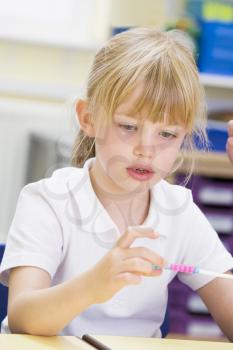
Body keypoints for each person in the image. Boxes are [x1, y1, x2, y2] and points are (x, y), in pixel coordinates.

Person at [1, 27, 233, 340]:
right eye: (128, 126)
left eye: (167, 134)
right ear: (88, 118)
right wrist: (94, 285)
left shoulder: (179, 211)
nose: (146, 149)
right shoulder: (48, 201)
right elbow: (22, 317)